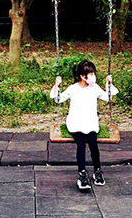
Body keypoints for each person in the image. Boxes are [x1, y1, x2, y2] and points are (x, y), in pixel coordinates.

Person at [50, 60, 118, 191]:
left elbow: (107, 97)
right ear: (82, 76)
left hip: (90, 121)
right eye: (90, 74)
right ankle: (82, 173)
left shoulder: (95, 88)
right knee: (81, 143)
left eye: (93, 73)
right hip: (75, 122)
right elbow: (58, 99)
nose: (93, 76)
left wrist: (108, 84)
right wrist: (57, 85)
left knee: (93, 143)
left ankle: (97, 171)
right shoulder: (73, 89)